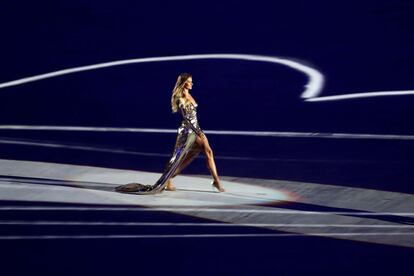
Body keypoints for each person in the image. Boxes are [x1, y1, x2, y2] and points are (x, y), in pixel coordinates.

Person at [115, 73, 225, 194]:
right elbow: (186, 118)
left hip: (196, 128)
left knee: (195, 155)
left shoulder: (189, 94)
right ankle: (215, 181)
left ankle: (173, 179)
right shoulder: (180, 97)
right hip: (188, 131)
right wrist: (198, 132)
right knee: (186, 157)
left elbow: (193, 117)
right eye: (189, 81)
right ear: (184, 83)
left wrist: (199, 130)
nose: (192, 83)